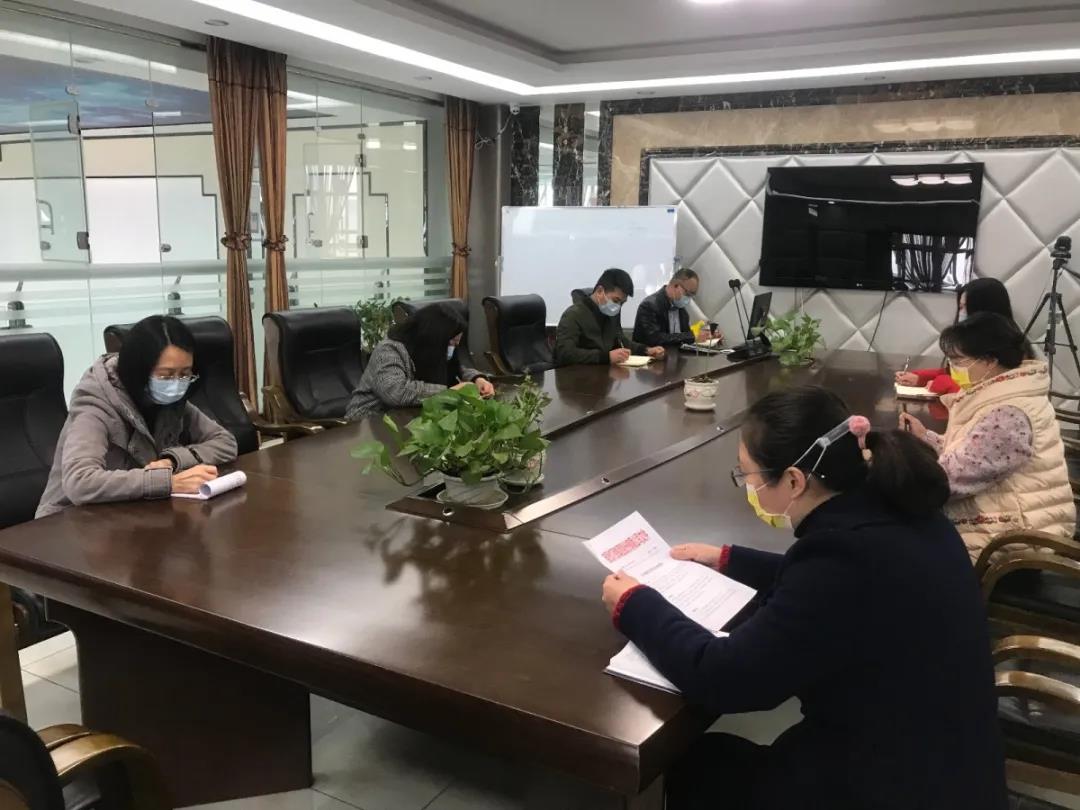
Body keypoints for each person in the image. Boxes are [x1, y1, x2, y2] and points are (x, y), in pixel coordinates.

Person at [600, 386, 1007, 810]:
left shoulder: (841, 559)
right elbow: (834, 587)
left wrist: (636, 604)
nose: (748, 487)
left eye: (748, 475)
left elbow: (725, 679)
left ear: (794, 480)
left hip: (889, 786)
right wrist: (729, 559)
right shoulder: (899, 507)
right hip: (951, 768)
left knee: (703, 766)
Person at [899, 312, 1074, 561]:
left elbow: (946, 481)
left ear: (990, 361)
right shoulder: (1008, 392)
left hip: (1014, 536)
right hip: (1015, 514)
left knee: (895, 541)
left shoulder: (1008, 414)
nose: (952, 369)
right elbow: (976, 453)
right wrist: (925, 437)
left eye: (958, 360)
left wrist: (893, 468)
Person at [36, 315, 238, 518]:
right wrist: (168, 482)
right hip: (67, 521)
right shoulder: (95, 401)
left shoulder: (170, 401)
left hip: (128, 515)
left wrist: (173, 460)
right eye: (166, 375)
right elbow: (80, 481)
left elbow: (225, 442)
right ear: (139, 370)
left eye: (184, 374)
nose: (176, 384)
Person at [346, 302, 494, 421]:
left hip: (408, 419)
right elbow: (395, 392)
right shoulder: (388, 350)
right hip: (367, 423)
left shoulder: (428, 350)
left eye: (456, 344)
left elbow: (454, 368)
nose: (453, 348)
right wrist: (449, 392)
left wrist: (476, 379)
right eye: (451, 343)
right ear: (435, 338)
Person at [895, 277, 1023, 395]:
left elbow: (984, 394)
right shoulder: (976, 338)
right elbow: (956, 372)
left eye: (965, 307)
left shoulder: (1009, 349)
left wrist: (945, 384)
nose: (961, 313)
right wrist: (920, 378)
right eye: (960, 307)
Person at [554, 268, 665, 366]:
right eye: (616, 300)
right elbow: (564, 353)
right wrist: (606, 357)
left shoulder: (611, 314)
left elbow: (621, 341)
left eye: (622, 303)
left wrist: (646, 350)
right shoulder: (573, 315)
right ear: (599, 291)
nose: (618, 306)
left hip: (604, 375)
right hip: (577, 377)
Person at [632, 268, 721, 348]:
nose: (688, 298)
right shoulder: (649, 306)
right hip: (650, 359)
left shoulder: (682, 310)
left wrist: (706, 336)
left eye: (692, 295)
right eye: (688, 294)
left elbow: (683, 337)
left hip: (676, 358)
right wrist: (692, 336)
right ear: (675, 285)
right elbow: (654, 339)